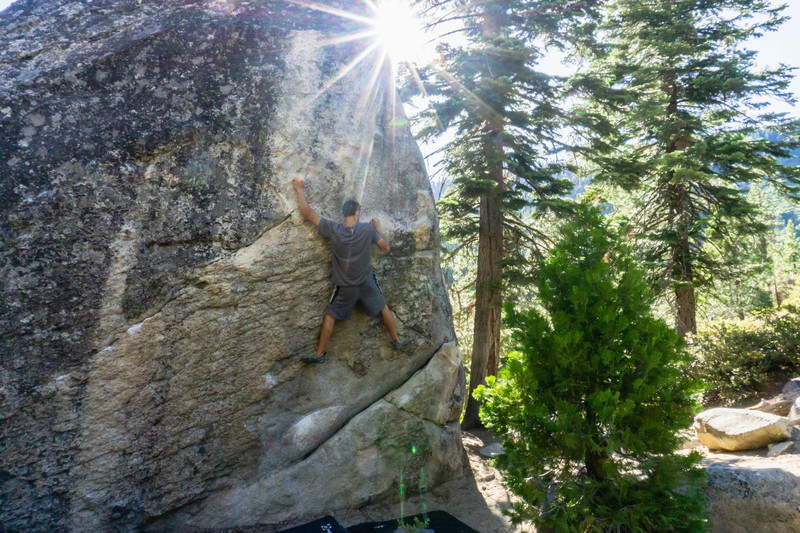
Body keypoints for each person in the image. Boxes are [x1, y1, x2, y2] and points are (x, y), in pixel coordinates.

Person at [292, 177, 408, 363]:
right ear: (357, 213)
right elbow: (386, 247)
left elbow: (307, 214)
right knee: (383, 307)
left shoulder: (334, 229)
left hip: (346, 287)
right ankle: (397, 340)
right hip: (366, 283)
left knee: (330, 315)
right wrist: (378, 228)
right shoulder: (367, 230)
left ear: (343, 214)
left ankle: (320, 354)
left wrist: (299, 189)